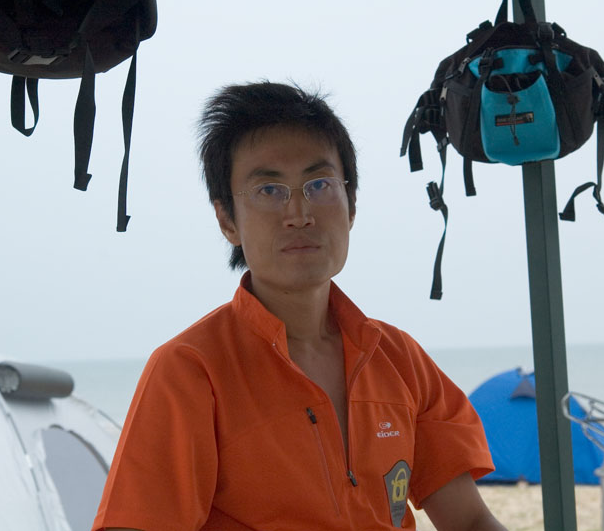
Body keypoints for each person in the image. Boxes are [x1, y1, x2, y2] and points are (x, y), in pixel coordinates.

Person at [93, 82, 506, 531]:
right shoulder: (191, 369)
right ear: (227, 220)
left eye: (319, 185)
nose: (299, 214)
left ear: (351, 205)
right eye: (269, 190)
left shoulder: (400, 359)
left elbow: (470, 522)